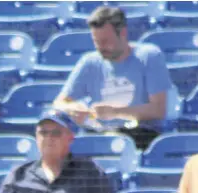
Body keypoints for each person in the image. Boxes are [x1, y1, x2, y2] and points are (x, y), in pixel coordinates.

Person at [52, 6, 173, 150]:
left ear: (122, 33)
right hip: (100, 136)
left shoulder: (148, 56)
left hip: (141, 135)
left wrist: (115, 112)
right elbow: (59, 103)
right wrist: (73, 108)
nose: (100, 47)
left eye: (105, 41)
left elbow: (158, 110)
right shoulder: (90, 62)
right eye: (96, 41)